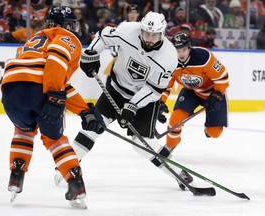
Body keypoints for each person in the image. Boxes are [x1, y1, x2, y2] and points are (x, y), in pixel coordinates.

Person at [68, 11, 194, 190]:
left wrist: (132, 106)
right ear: (141, 29)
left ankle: (178, 173)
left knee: (142, 144)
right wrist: (92, 53)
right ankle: (68, 167)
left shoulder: (169, 56)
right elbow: (104, 36)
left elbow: (154, 89)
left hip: (145, 99)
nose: (149, 38)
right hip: (116, 88)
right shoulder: (127, 30)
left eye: (154, 34)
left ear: (162, 33)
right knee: (94, 126)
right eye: (147, 33)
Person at [1, 6, 104, 208]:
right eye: (69, 24)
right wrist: (55, 96)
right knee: (55, 139)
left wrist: (84, 110)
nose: (71, 29)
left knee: (23, 131)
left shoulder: (32, 42)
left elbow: (48, 77)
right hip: (40, 89)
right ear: (57, 25)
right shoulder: (65, 37)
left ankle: (16, 174)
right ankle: (75, 182)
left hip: (10, 91)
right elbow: (56, 63)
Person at [161, 33, 229, 154]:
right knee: (175, 120)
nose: (181, 54)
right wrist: (160, 102)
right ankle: (170, 146)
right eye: (177, 51)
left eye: (183, 50)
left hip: (213, 93)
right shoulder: (169, 63)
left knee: (214, 133)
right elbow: (165, 85)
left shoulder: (203, 57)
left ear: (189, 48)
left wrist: (217, 94)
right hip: (191, 92)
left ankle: (208, 129)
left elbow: (222, 77)